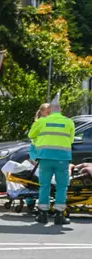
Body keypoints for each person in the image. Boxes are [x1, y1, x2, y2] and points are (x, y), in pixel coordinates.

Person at [28, 94, 75, 225]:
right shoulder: (69, 122)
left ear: (50, 111)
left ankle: (42, 214)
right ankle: (60, 215)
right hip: (62, 159)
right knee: (62, 186)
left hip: (45, 158)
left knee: (44, 186)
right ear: (60, 110)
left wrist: (40, 144)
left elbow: (31, 135)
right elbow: (70, 140)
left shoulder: (42, 122)